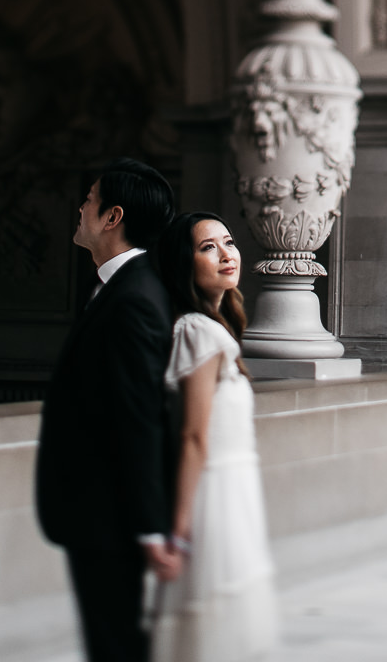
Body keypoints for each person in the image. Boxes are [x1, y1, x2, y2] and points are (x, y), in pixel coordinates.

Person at [36, 158, 182, 662]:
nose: (80, 207)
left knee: (115, 644)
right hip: (101, 512)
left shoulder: (134, 298)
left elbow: (139, 415)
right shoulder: (120, 288)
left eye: (90, 198)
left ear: (112, 216)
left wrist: (147, 525)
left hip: (110, 516)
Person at [148, 212, 279, 662]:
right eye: (208, 247)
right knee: (209, 632)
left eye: (228, 242)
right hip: (211, 499)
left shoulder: (217, 328)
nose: (227, 254)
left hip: (234, 490)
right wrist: (179, 529)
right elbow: (193, 437)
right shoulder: (198, 331)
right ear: (185, 263)